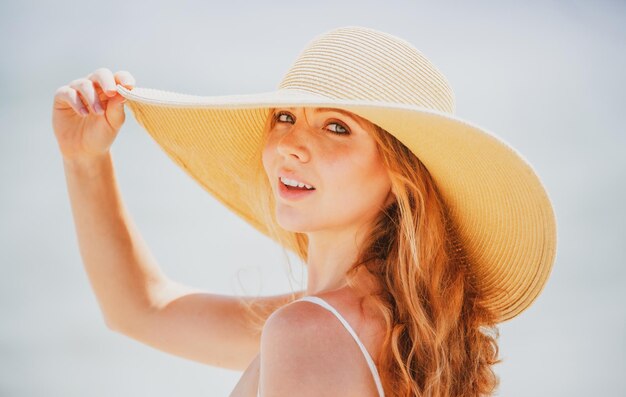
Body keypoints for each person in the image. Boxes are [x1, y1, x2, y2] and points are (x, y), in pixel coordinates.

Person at [52, 26, 557, 397]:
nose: (290, 144)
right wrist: (84, 159)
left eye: (336, 127)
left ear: (401, 178)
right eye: (285, 117)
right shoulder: (389, 325)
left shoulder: (311, 330)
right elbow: (142, 310)